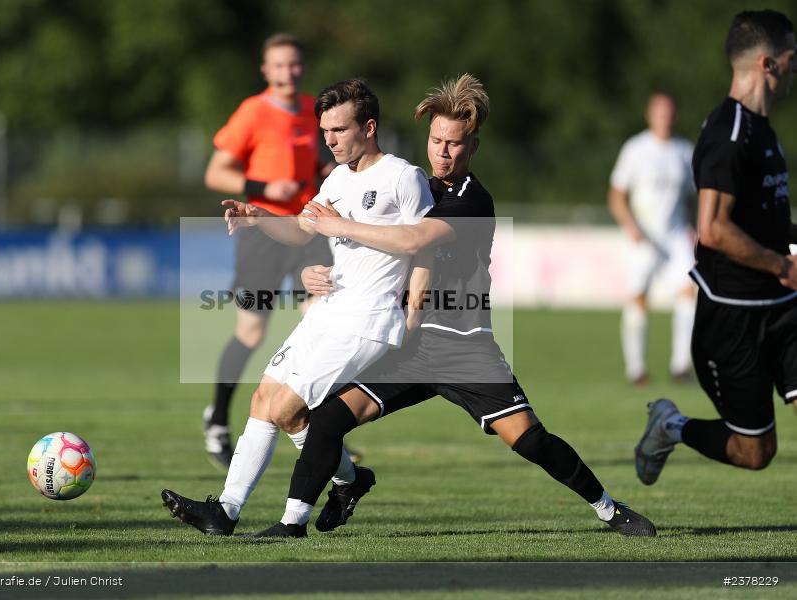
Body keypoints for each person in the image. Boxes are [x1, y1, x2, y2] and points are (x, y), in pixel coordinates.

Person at [246, 74, 656, 538]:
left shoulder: (472, 200)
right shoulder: (411, 182)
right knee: (327, 421)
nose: (443, 151)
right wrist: (312, 267)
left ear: (473, 146)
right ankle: (299, 519)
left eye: (455, 143)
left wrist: (339, 224)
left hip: (465, 347)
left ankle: (608, 508)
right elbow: (356, 244)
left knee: (530, 440)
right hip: (409, 343)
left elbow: (412, 238)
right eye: (436, 140)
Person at [162, 79, 435, 534]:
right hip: (330, 310)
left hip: (368, 321)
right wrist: (260, 217)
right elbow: (302, 230)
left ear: (369, 127)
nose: (329, 139)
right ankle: (227, 510)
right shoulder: (337, 178)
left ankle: (301, 515)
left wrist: (414, 314)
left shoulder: (403, 177)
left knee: (289, 408)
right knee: (263, 399)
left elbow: (422, 247)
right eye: (325, 130)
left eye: (339, 130)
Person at [636, 10, 797, 485]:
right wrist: (780, 265)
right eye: (792, 60)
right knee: (755, 452)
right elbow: (712, 229)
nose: (795, 70)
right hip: (733, 316)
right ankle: (670, 426)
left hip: (784, 307)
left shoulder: (762, 128)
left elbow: (764, 218)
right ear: (767, 64)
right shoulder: (729, 133)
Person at [201, 33, 334, 469]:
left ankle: (319, 428)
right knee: (251, 333)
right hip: (261, 232)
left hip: (307, 230)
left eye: (294, 64)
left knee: (319, 322)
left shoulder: (315, 112)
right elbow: (215, 174)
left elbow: (323, 165)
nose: (288, 72)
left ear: (302, 66)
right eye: (279, 65)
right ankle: (218, 418)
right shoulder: (252, 112)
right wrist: (261, 188)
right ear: (266, 70)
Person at [608, 92, 697, 386]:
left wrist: (696, 229)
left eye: (669, 111)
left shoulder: (684, 151)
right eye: (660, 111)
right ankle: (636, 369)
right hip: (643, 235)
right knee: (639, 298)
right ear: (650, 114)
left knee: (689, 292)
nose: (665, 117)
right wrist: (630, 226)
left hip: (675, 234)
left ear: (676, 115)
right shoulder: (636, 149)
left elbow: (692, 198)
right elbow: (617, 195)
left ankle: (681, 364)